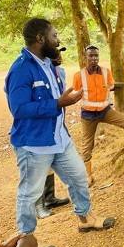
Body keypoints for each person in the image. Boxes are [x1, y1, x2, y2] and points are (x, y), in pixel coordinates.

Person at [5, 18, 116, 247]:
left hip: (59, 139)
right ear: (40, 39)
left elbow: (57, 95)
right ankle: (27, 242)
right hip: (34, 144)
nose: (58, 40)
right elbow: (19, 109)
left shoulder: (49, 64)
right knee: (30, 193)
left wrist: (63, 101)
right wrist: (57, 103)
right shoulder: (21, 70)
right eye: (55, 36)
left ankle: (85, 218)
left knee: (78, 178)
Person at [73, 45, 124, 183]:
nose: (94, 58)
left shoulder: (106, 72)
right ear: (86, 57)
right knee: (87, 145)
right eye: (91, 56)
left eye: (96, 55)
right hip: (88, 115)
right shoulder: (79, 75)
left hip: (106, 111)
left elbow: (111, 86)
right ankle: (87, 175)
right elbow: (76, 92)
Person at [36, 52, 70, 219]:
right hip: (39, 126)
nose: (58, 57)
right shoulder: (35, 72)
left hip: (55, 122)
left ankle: (49, 198)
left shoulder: (60, 72)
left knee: (49, 162)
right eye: (54, 55)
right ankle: (38, 205)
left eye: (60, 54)